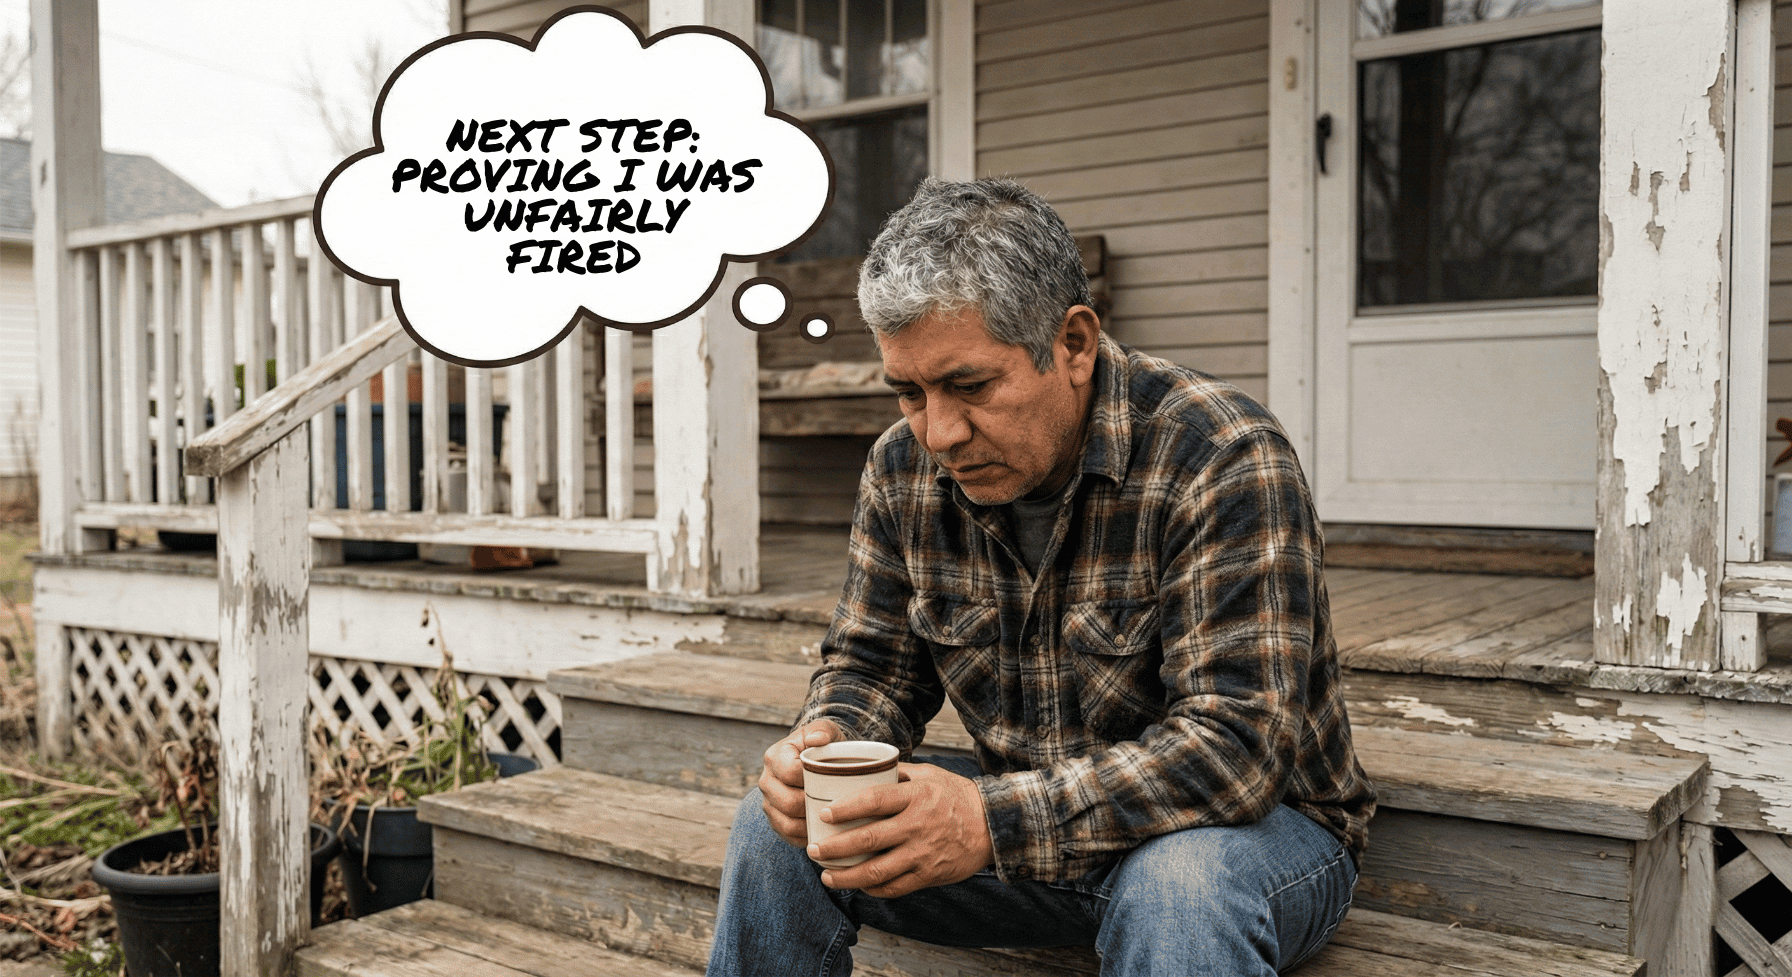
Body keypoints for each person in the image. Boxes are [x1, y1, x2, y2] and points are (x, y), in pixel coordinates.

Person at [706, 177, 1376, 976]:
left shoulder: (1221, 454)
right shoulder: (900, 467)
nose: (940, 432)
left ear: (1074, 343)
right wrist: (830, 743)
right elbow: (872, 669)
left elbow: (1233, 750)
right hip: (1030, 824)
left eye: (969, 385)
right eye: (909, 392)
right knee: (773, 829)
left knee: (1179, 883)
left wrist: (986, 822)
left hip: (1249, 836)